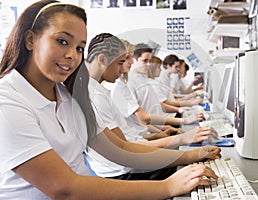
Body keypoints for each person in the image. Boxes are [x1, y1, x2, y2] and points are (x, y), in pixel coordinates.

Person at [0, 1, 221, 199]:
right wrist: (167, 187)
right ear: (30, 39)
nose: (72, 55)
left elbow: (118, 147)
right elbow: (63, 189)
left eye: (79, 48)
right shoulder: (7, 100)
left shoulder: (67, 95)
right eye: (62, 41)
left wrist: (190, 155)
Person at [85, 33, 218, 180]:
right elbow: (124, 147)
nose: (123, 68)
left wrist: (158, 135)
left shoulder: (98, 91)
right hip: (124, 171)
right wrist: (186, 147)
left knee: (190, 161)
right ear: (102, 59)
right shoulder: (96, 95)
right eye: (120, 62)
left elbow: (125, 140)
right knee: (192, 166)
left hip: (127, 162)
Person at [113, 40, 203, 132]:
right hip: (149, 130)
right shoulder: (127, 83)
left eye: (150, 61)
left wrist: (161, 129)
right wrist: (183, 118)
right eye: (145, 61)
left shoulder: (143, 79)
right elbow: (142, 117)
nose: (149, 64)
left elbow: (155, 106)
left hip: (156, 126)